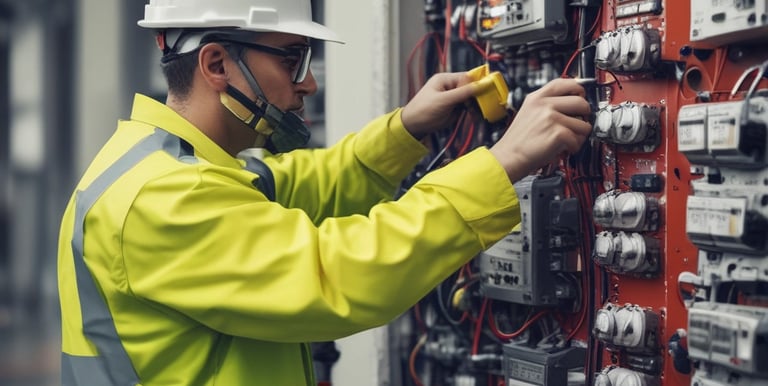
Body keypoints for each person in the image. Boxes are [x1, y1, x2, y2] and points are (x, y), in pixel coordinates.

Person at [56, 0, 592, 385]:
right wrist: (502, 163)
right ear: (216, 64)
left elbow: (309, 184)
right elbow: (336, 272)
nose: (309, 83)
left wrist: (405, 129)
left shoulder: (173, 166)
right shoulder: (161, 200)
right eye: (293, 59)